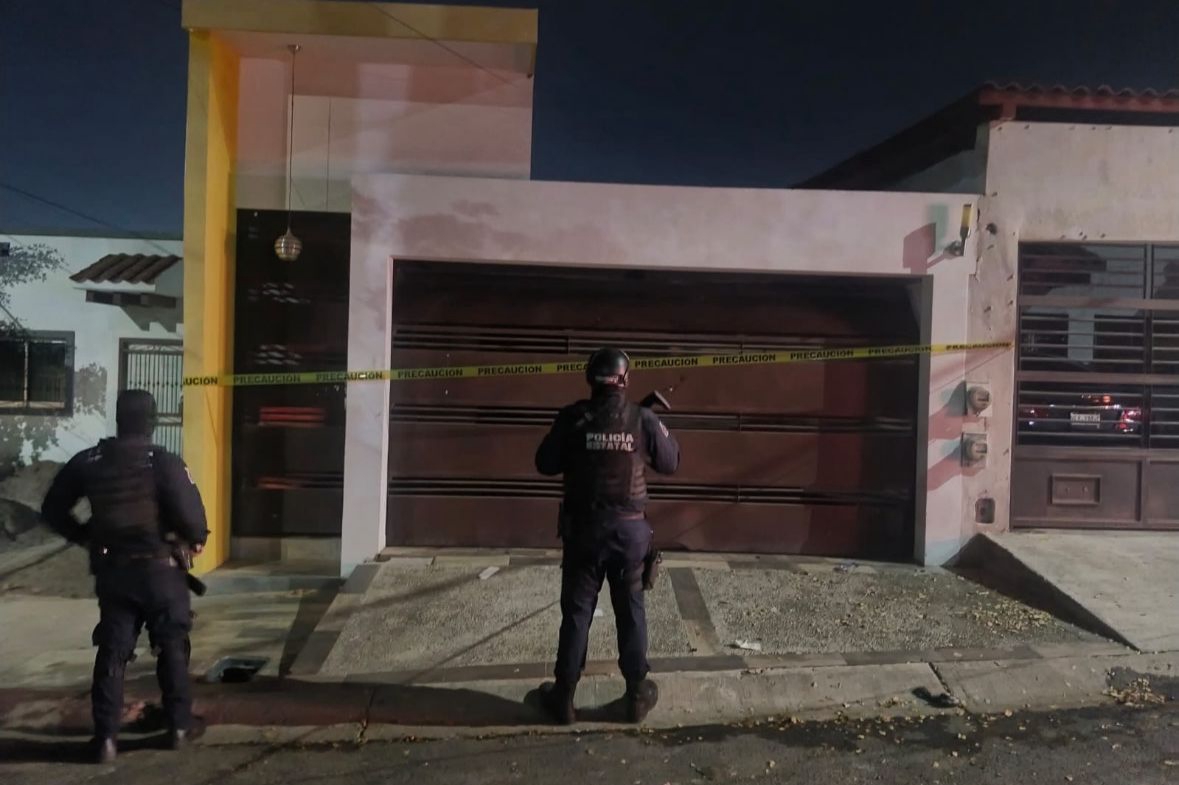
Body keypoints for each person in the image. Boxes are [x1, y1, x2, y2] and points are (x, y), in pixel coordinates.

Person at [40, 389, 208, 763]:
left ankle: (105, 739)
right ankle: (179, 727)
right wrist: (195, 539)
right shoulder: (162, 462)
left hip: (115, 573)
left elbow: (52, 509)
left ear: (118, 420)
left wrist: (85, 536)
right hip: (162, 573)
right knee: (171, 645)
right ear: (152, 421)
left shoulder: (90, 460)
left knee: (113, 651)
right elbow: (193, 519)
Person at [534, 347, 680, 724]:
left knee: (577, 612)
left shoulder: (573, 418)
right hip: (629, 535)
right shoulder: (642, 419)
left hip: (584, 533)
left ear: (591, 378)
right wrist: (648, 430)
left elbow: (545, 463)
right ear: (625, 379)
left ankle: (564, 697)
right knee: (631, 610)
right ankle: (636, 695)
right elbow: (671, 462)